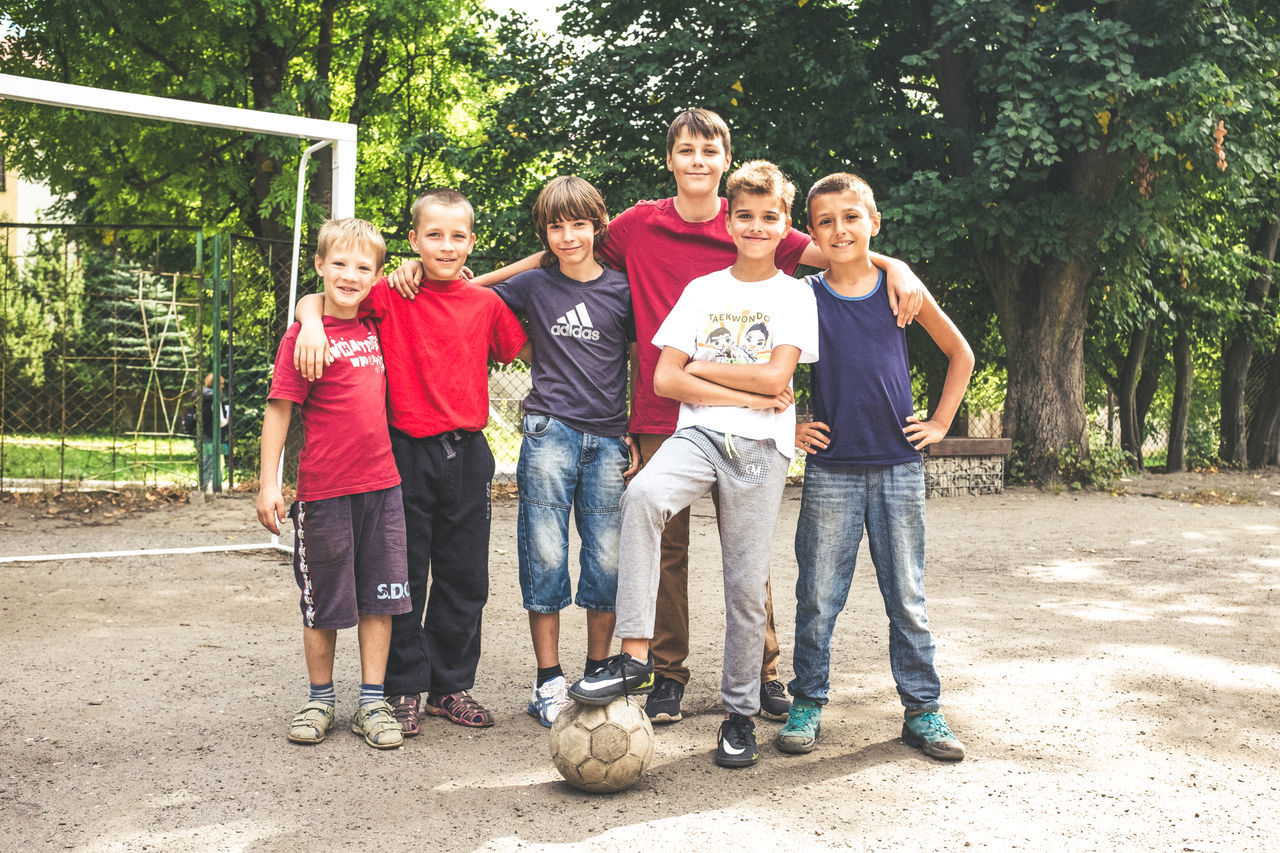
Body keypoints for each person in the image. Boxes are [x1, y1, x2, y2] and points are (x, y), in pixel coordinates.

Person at [390, 108, 928, 726]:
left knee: (745, 550)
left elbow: (841, 252)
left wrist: (895, 265)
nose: (697, 160)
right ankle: (666, 674)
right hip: (658, 409)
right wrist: (450, 282)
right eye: (686, 150)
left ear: (725, 162)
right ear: (670, 159)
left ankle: (763, 673)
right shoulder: (638, 224)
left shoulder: (752, 223)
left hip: (747, 419)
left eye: (709, 150)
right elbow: (555, 258)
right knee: (662, 548)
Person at [568, 161, 818, 769]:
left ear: (784, 226)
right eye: (745, 217)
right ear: (728, 222)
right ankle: (634, 656)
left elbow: (773, 375)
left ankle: (739, 714)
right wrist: (747, 395)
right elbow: (662, 378)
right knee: (643, 498)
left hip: (761, 451)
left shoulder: (794, 292)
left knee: (743, 582)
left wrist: (706, 371)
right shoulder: (703, 291)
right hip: (699, 437)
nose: (755, 227)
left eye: (768, 218)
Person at [292, 189, 527, 736]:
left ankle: (450, 686)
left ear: (472, 241)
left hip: (467, 452)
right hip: (403, 451)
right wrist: (308, 323)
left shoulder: (485, 304)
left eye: (458, 236)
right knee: (401, 577)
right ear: (415, 240)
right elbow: (322, 298)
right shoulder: (389, 295)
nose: (446, 246)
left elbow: (515, 348)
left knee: (464, 576)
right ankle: (401, 689)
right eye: (434, 235)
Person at [776, 173, 974, 761]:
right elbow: (766, 367)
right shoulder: (802, 296)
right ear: (811, 232)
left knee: (906, 593)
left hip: (897, 465)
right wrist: (790, 424)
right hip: (832, 468)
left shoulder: (900, 290)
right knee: (817, 593)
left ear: (874, 222)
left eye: (851, 217)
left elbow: (960, 353)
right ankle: (808, 700)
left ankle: (923, 710)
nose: (840, 229)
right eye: (826, 221)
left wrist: (938, 424)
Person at [490, 176, 640, 727]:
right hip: (547, 431)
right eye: (556, 226)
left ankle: (596, 673)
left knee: (605, 559)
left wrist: (638, 434)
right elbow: (471, 297)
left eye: (579, 224)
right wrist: (527, 346)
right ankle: (548, 681)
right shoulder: (534, 286)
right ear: (544, 233)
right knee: (546, 554)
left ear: (598, 226)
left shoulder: (623, 289)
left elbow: (643, 362)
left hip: (607, 439)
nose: (568, 235)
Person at [256, 217, 410, 749]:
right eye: (338, 264)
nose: (350, 274)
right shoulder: (302, 337)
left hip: (383, 488)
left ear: (376, 275)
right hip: (323, 492)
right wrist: (268, 484)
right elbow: (279, 413)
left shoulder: (375, 320)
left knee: (380, 599)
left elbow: (421, 280)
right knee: (324, 603)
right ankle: (320, 698)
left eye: (362, 267)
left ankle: (372, 701)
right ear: (319, 266)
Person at [196, 373, 229, 491]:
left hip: (200, 433)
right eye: (221, 384)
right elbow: (220, 421)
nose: (223, 386)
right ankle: (214, 489)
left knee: (205, 462)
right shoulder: (215, 398)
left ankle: (204, 488)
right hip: (211, 434)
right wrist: (228, 419)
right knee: (212, 462)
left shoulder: (200, 397)